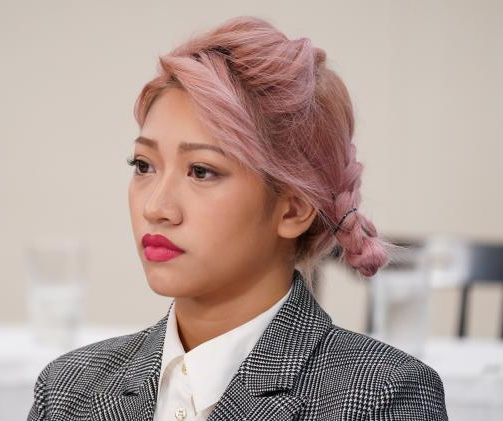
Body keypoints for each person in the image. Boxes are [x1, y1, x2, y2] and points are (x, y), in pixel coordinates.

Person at [27, 16, 448, 421]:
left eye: (201, 171)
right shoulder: (68, 392)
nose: (155, 207)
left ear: (294, 206)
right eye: (143, 165)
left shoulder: (382, 397)